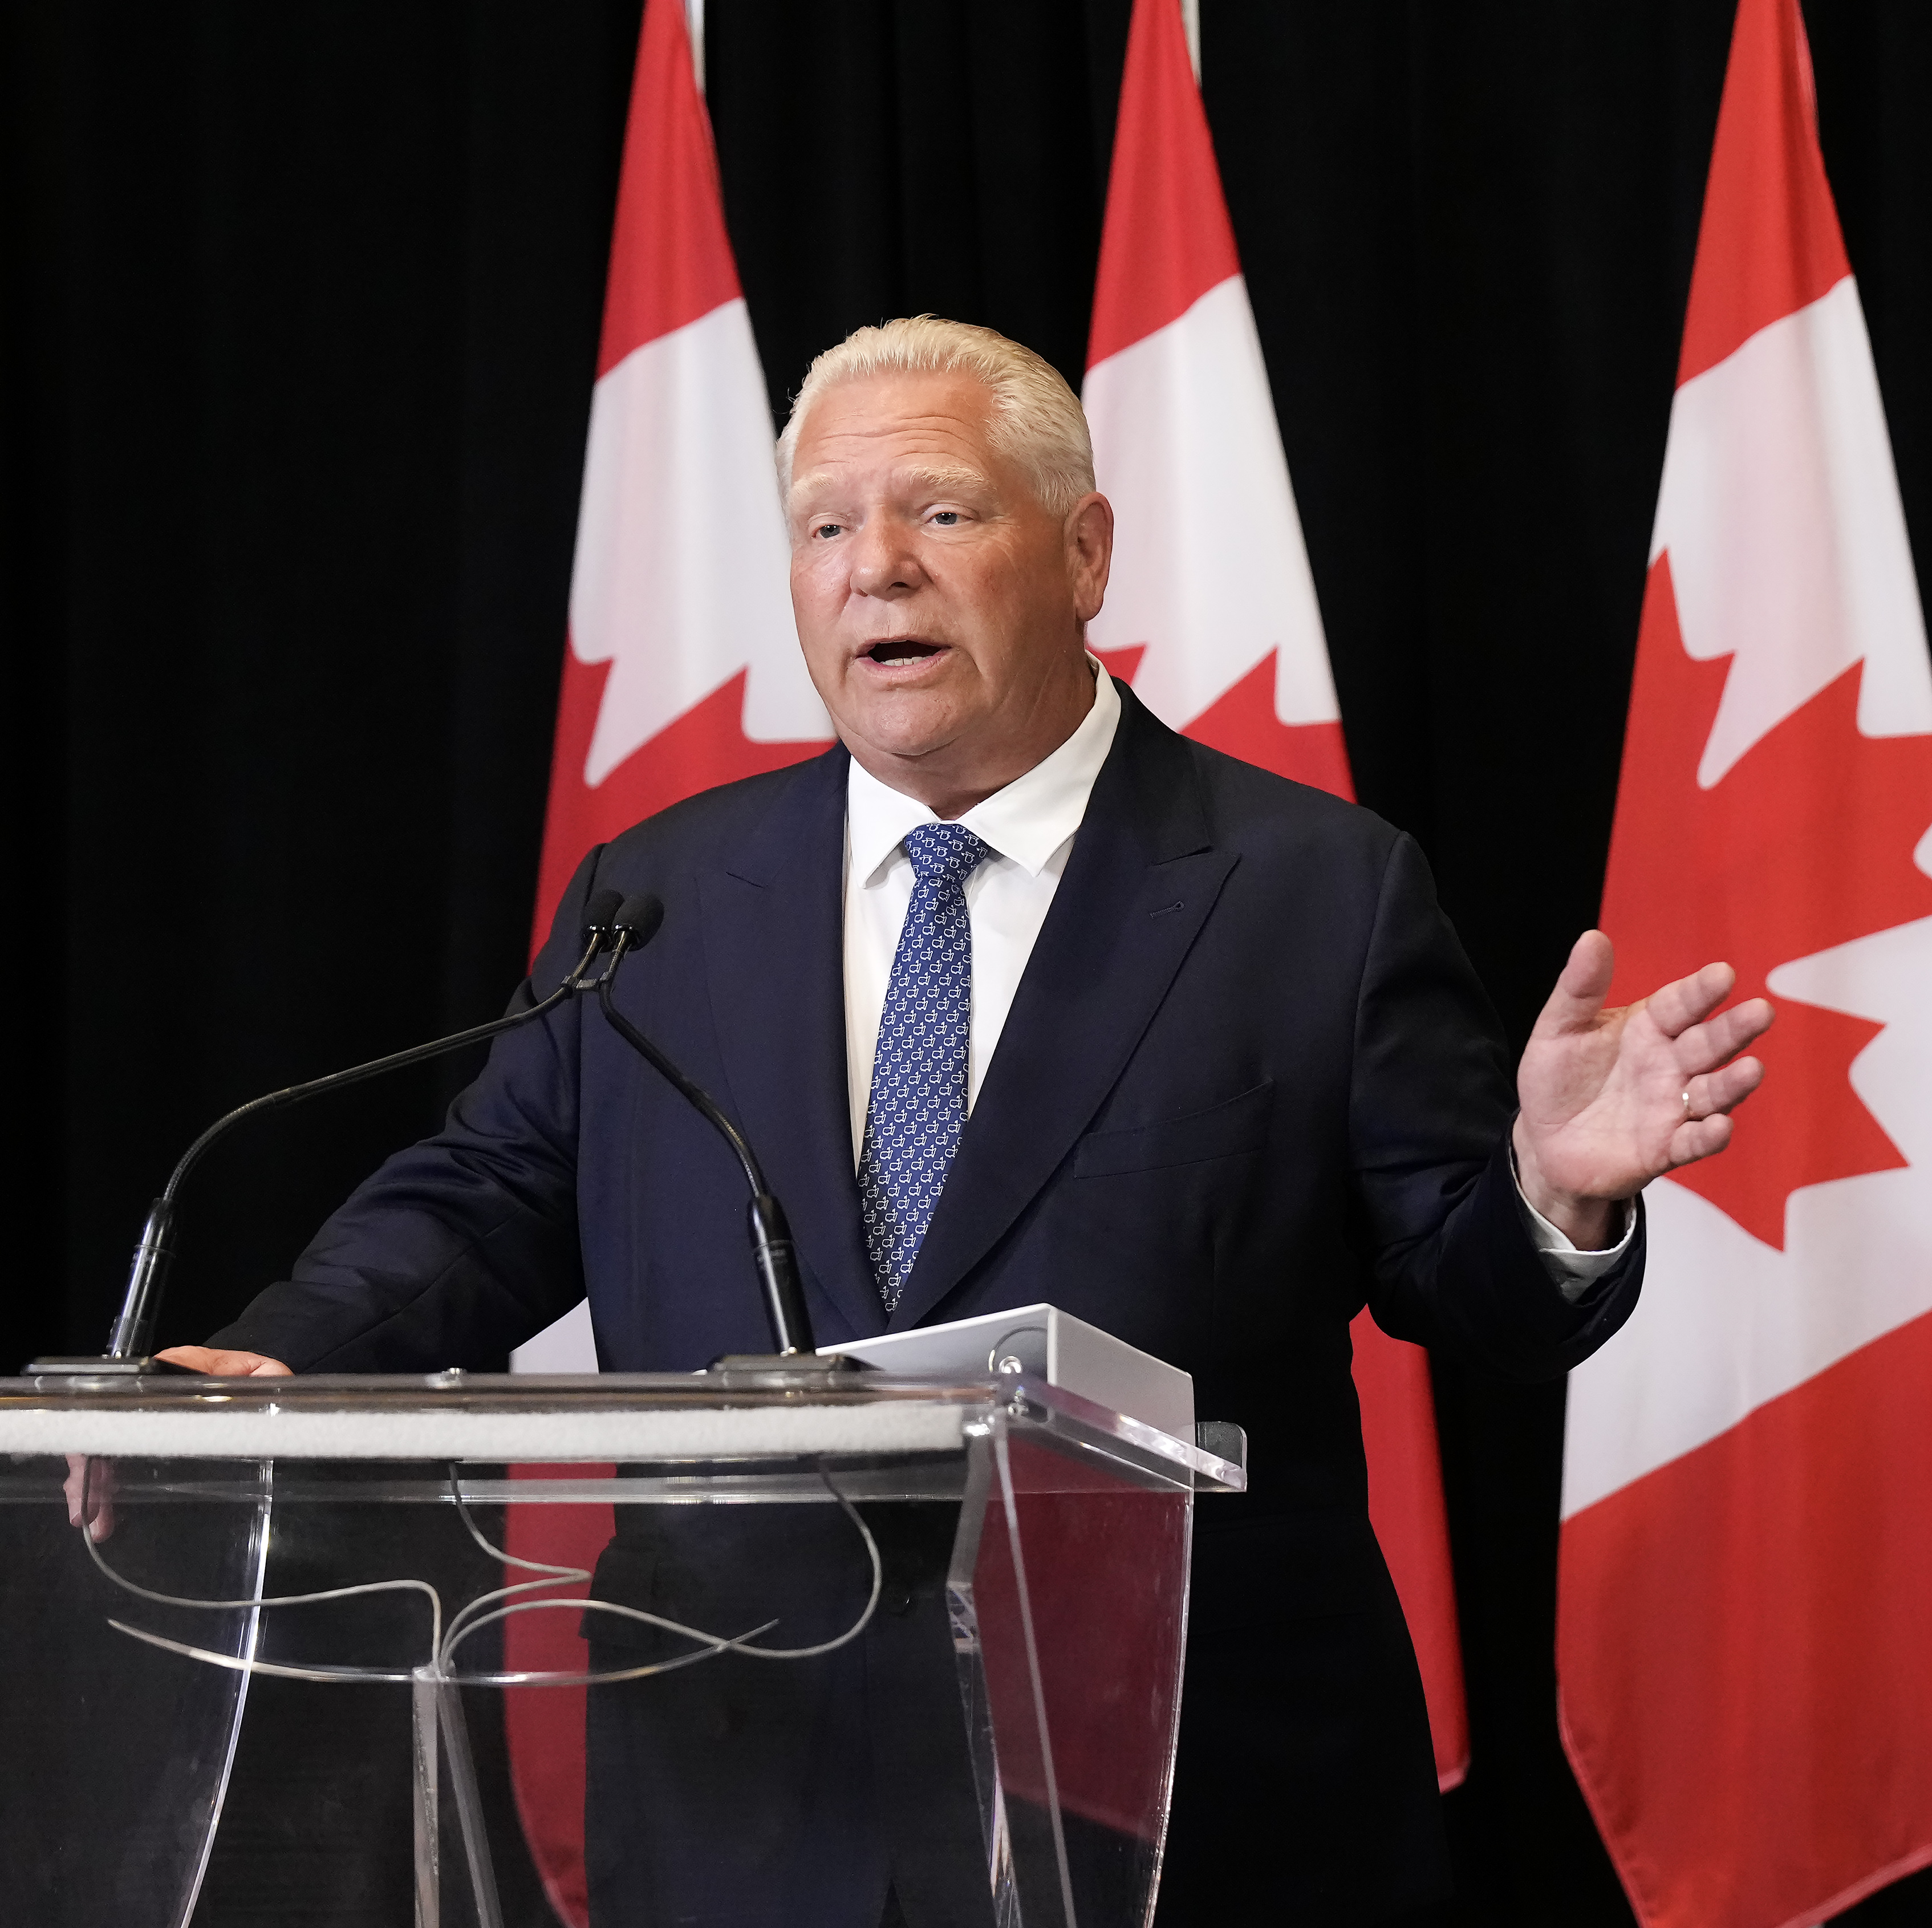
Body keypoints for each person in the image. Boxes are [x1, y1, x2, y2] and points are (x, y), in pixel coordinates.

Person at [165, 316, 1771, 1924]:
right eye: (825, 527)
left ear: (1084, 554)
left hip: (1177, 1812)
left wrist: (1550, 1194)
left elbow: (1471, 1296)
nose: (876, 568)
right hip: (745, 1799)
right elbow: (489, 1197)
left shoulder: (1314, 894)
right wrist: (283, 1360)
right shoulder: (657, 903)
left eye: (940, 511)